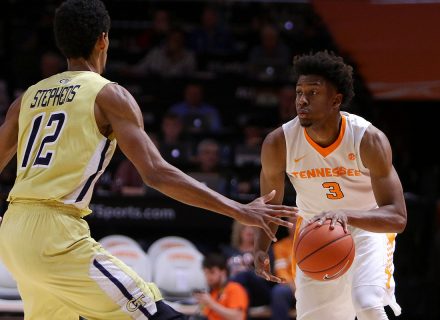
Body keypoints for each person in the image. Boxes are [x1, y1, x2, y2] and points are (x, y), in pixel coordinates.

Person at [0, 1, 297, 319]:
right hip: (56, 234)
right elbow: (155, 173)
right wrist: (239, 209)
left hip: (13, 229)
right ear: (104, 40)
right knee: (159, 315)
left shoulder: (27, 98)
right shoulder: (108, 95)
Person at [253, 51, 407, 320]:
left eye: (313, 92)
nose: (301, 99)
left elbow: (397, 216)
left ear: (336, 100)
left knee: (367, 303)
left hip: (366, 227)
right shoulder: (279, 143)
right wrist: (259, 248)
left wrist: (346, 216)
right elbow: (270, 204)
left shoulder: (367, 139)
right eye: (299, 91)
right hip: (315, 232)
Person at [193, 253, 249, 320]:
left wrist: (211, 303)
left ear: (223, 272)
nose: (208, 277)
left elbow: (238, 317)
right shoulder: (212, 292)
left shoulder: (234, 288)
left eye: (212, 272)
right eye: (206, 273)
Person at [270, 217, 296, 320]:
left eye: (298, 220)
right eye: (292, 221)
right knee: (279, 291)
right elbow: (281, 273)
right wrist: (295, 288)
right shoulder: (279, 247)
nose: (294, 224)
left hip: (311, 285)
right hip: (290, 287)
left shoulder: (315, 243)